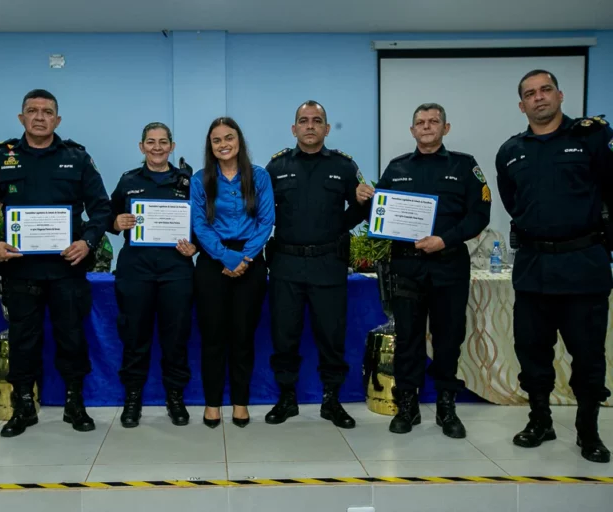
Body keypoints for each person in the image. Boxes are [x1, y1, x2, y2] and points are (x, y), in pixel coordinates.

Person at [0, 89, 111, 438]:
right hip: (19, 271)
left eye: (47, 111)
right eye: (32, 110)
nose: (39, 116)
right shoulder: (1, 157)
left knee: (72, 339)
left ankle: (74, 403)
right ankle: (22, 407)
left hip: (67, 270)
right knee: (23, 341)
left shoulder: (76, 157)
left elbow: (102, 208)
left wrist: (87, 241)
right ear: (21, 118)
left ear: (57, 120)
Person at [496, 69, 613, 463]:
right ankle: (540, 420)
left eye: (546, 90)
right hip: (533, 267)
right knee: (532, 351)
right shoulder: (510, 151)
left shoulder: (591, 137)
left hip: (584, 264)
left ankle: (588, 431)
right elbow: (514, 203)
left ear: (560, 95)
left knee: (588, 354)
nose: (539, 97)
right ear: (521, 104)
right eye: (530, 93)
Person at [360, 103, 491, 438]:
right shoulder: (397, 167)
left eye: (434, 121)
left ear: (445, 128)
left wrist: (444, 240)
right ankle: (407, 406)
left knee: (449, 338)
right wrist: (367, 200)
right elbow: (380, 215)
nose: (427, 126)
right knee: (408, 339)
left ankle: (446, 407)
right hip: (406, 266)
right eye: (420, 122)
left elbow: (479, 215)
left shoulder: (464, 166)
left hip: (449, 264)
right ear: (412, 130)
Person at [264, 101, 366, 429]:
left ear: (325, 128)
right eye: (303, 121)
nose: (310, 126)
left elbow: (363, 206)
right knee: (284, 335)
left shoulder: (345, 166)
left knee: (331, 335)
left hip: (328, 263)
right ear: (294, 129)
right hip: (286, 264)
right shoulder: (275, 167)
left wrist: (338, 226)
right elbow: (264, 212)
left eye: (317, 121)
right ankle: (287, 398)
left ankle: (331, 401)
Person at [109, 122, 196, 428]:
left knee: (176, 338)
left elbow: (200, 224)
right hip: (136, 270)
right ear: (141, 146)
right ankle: (133, 399)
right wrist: (117, 222)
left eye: (163, 142)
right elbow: (108, 216)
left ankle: (176, 398)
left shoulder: (188, 181)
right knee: (135, 337)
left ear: (172, 146)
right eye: (151, 142)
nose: (157, 147)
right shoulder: (128, 180)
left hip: (177, 271)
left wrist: (194, 246)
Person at [191, 117, 274, 428]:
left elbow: (265, 222)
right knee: (212, 337)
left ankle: (240, 403)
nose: (223, 144)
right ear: (210, 146)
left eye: (229, 138)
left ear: (239, 142)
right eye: (216, 140)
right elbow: (199, 224)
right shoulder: (201, 180)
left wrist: (245, 258)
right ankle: (212, 404)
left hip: (250, 264)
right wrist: (226, 257)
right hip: (213, 262)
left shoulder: (260, 177)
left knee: (242, 337)